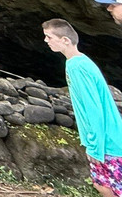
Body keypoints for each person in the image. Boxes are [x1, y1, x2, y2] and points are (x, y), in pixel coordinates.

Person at [43, 18, 122, 197]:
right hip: (110, 138)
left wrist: (95, 147)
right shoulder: (79, 61)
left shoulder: (77, 66)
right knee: (102, 185)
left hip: (109, 141)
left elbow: (92, 108)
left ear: (65, 40)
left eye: (49, 37)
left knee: (108, 187)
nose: (46, 41)